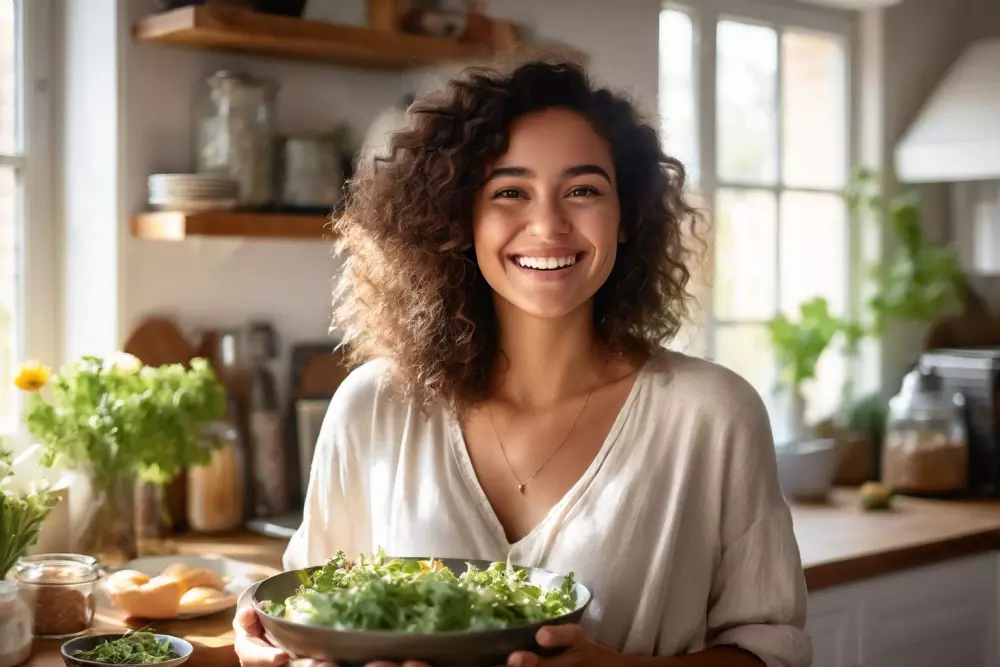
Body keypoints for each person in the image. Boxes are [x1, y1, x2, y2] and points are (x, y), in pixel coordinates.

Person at [235, 60, 811, 667]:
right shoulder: (372, 406)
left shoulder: (713, 415)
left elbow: (773, 649)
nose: (548, 225)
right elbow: (301, 615)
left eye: (583, 190)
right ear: (460, 219)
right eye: (510, 191)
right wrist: (268, 650)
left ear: (626, 219)